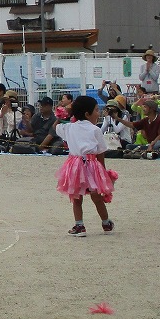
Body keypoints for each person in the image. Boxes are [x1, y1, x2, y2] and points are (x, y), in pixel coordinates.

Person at [54, 95, 115, 237]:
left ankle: (79, 225)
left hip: (74, 166)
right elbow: (100, 152)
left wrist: (64, 113)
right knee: (96, 196)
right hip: (92, 164)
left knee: (76, 197)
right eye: (96, 110)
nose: (98, 113)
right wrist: (103, 171)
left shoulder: (69, 127)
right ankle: (105, 222)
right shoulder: (95, 130)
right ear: (87, 114)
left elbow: (55, 127)